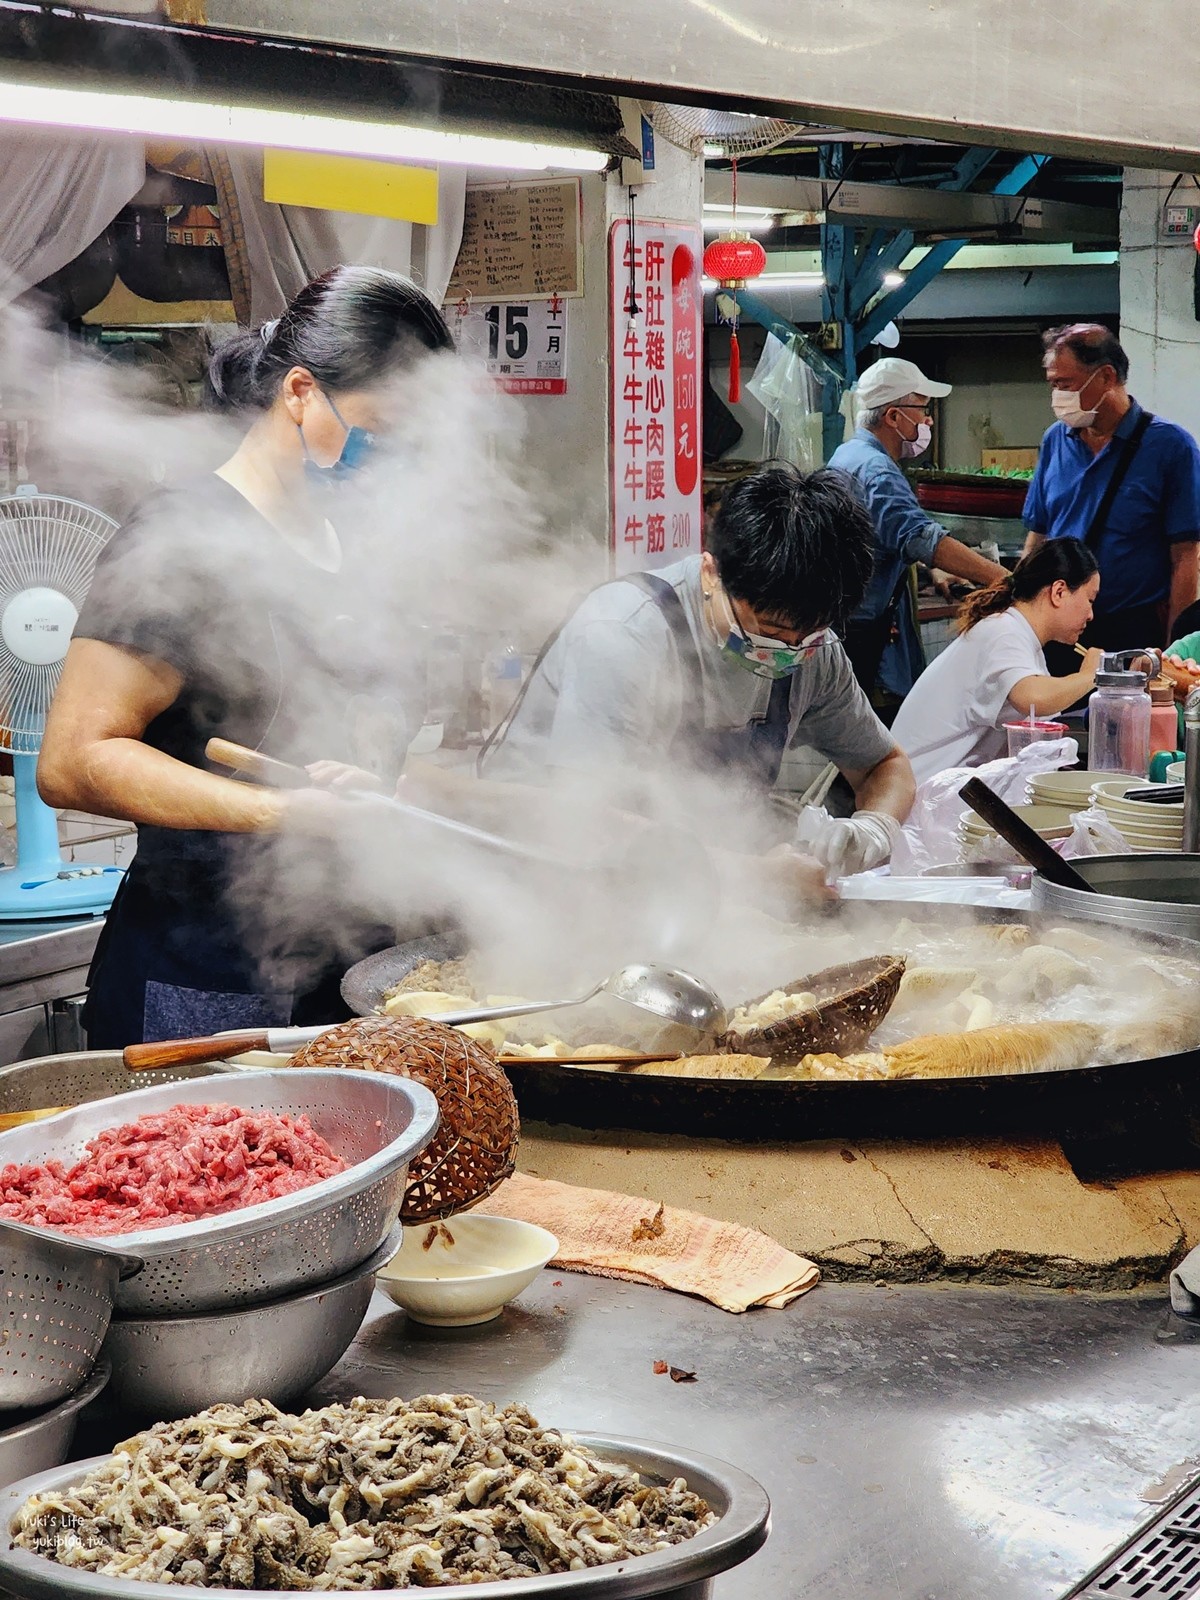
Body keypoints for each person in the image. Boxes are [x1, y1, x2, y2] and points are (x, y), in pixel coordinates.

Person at [37, 265, 455, 1046]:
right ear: (300, 391)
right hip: (203, 973)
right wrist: (286, 813)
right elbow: (71, 758)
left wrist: (367, 781)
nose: (393, 457)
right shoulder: (185, 537)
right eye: (381, 428)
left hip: (350, 967)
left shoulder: (363, 547)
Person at [479, 463, 916, 887]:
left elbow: (885, 765)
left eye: (809, 634)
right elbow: (585, 822)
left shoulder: (811, 648)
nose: (789, 651)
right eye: (770, 630)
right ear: (711, 573)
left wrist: (873, 829)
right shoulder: (624, 634)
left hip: (687, 879)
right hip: (538, 876)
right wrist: (756, 875)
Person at [828, 355, 1007, 706]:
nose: (927, 420)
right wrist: (1002, 578)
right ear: (893, 416)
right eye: (921, 409)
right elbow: (923, 538)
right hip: (866, 635)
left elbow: (884, 534)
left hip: (845, 621)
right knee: (877, 735)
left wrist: (933, 570)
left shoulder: (846, 455)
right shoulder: (878, 471)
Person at [1023, 323, 1200, 654]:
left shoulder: (1170, 447)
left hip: (1134, 630)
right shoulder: (1054, 441)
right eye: (1053, 385)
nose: (1057, 396)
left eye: (1065, 384)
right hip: (1059, 628)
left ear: (1105, 376)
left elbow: (1186, 556)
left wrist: (1175, 647)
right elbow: (1039, 536)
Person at [890, 539, 1102, 785]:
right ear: (1059, 592)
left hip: (938, 790)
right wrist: (1089, 675)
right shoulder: (1002, 631)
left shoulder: (1020, 638)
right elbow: (1033, 698)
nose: (1091, 614)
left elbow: (1044, 724)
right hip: (920, 794)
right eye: (1090, 600)